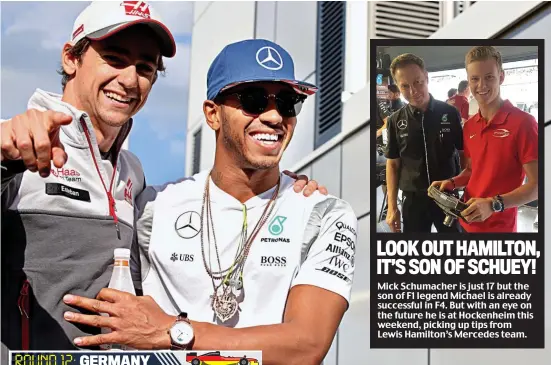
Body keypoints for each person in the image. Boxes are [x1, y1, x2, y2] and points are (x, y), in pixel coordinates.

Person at [0, 2, 322, 355]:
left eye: (145, 67)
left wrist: (283, 188)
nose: (128, 79)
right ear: (70, 59)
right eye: (114, 58)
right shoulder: (23, 146)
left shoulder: (131, 173)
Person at [62, 39, 358, 365]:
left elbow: (306, 346)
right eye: (254, 100)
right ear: (213, 114)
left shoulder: (323, 212)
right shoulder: (151, 205)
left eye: (288, 102)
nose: (274, 116)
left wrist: (174, 332)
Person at [430, 46, 538, 233]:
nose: (481, 86)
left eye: (489, 77)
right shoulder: (470, 126)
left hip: (499, 229)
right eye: (475, 79)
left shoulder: (524, 123)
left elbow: (537, 185)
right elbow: (472, 170)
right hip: (466, 222)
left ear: (501, 77)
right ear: (468, 81)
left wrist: (493, 204)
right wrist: (452, 182)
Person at [384, 53, 464, 233]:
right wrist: (391, 207)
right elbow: (393, 165)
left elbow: (464, 154)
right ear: (398, 86)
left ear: (426, 78)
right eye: (405, 86)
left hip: (448, 195)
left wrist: (466, 189)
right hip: (413, 200)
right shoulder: (395, 121)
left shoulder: (450, 113)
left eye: (418, 82)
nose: (413, 91)